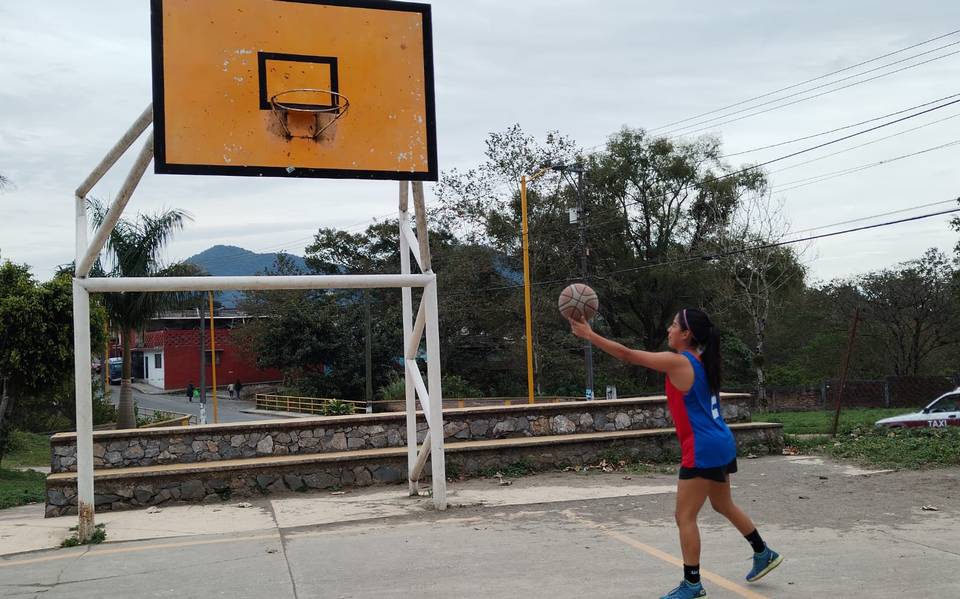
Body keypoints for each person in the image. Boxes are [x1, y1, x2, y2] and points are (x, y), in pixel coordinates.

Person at [568, 307, 782, 599]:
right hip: (721, 442)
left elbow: (628, 355)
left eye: (673, 325)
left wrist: (590, 334)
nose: (669, 329)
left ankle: (692, 584)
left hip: (703, 448)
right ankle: (763, 552)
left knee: (685, 517)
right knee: (723, 505)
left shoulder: (679, 363)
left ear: (686, 334)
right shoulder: (702, 361)